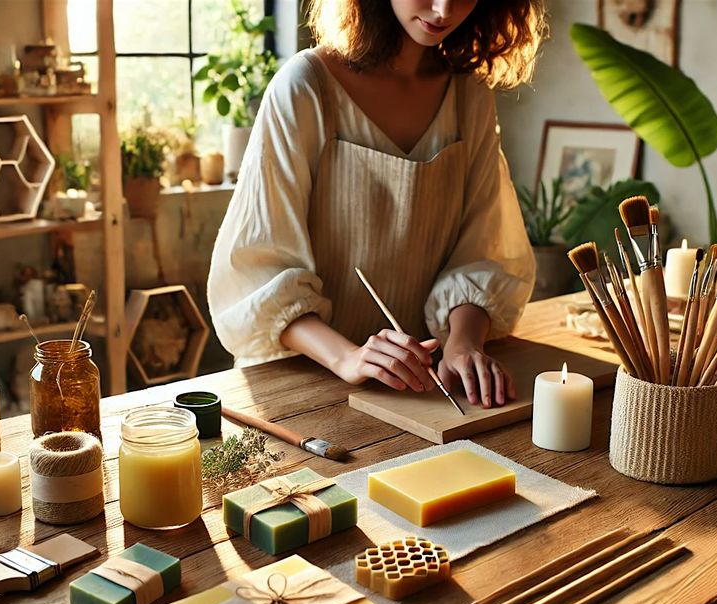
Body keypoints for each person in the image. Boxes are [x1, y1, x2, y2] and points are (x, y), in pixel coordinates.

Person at [207, 0, 546, 408]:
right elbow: (255, 274)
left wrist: (462, 343)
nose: (442, 9)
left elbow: (483, 250)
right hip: (302, 386)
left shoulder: (468, 94)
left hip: (424, 391)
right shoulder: (305, 86)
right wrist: (348, 356)